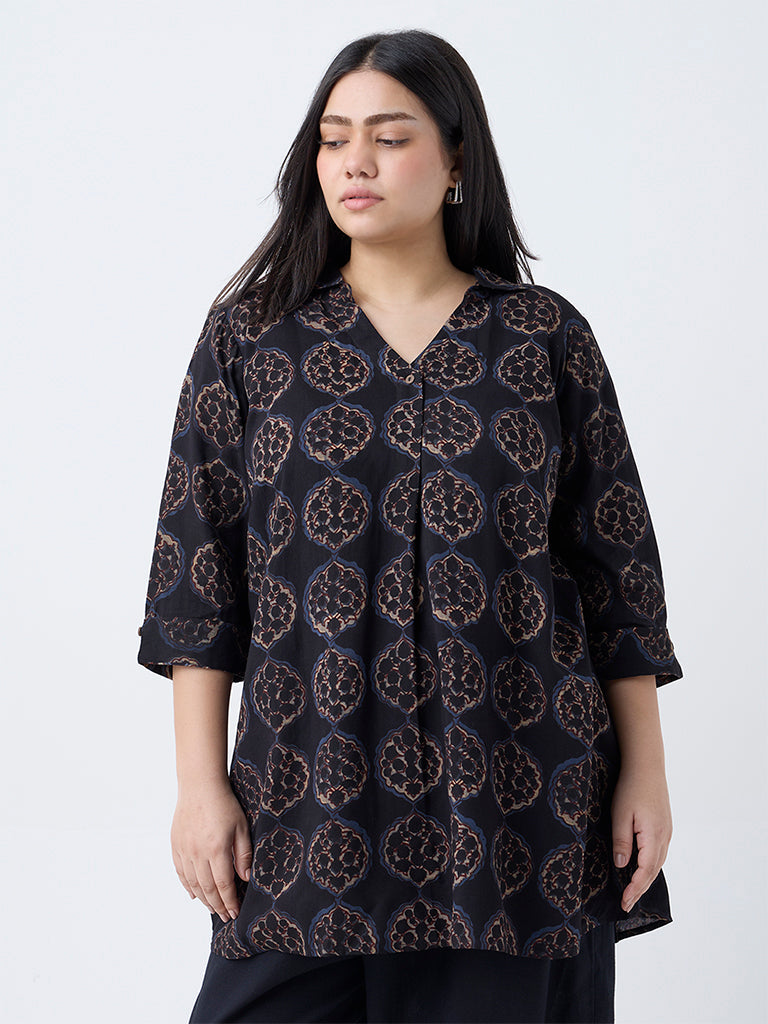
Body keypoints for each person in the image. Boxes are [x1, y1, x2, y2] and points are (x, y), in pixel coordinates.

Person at [136, 28, 684, 1024]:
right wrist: (199, 787)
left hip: (518, 807)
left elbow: (617, 573)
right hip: (306, 801)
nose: (356, 160)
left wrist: (645, 771)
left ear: (456, 160)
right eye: (334, 137)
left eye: (389, 137)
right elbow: (196, 577)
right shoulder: (253, 340)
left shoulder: (543, 339)